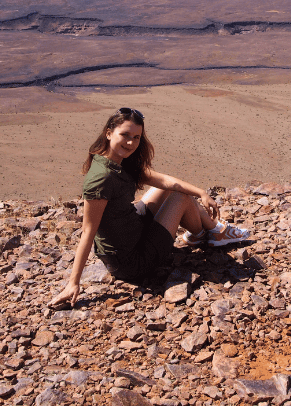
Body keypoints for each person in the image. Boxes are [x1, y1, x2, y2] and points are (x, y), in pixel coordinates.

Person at [50, 107, 249, 307]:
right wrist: (73, 283)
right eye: (125, 135)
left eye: (136, 137)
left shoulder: (119, 161)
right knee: (181, 198)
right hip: (131, 261)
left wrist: (202, 192)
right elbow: (88, 231)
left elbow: (165, 181)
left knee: (171, 190)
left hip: (132, 230)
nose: (130, 143)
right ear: (108, 133)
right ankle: (206, 234)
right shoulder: (101, 179)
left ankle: (214, 230)